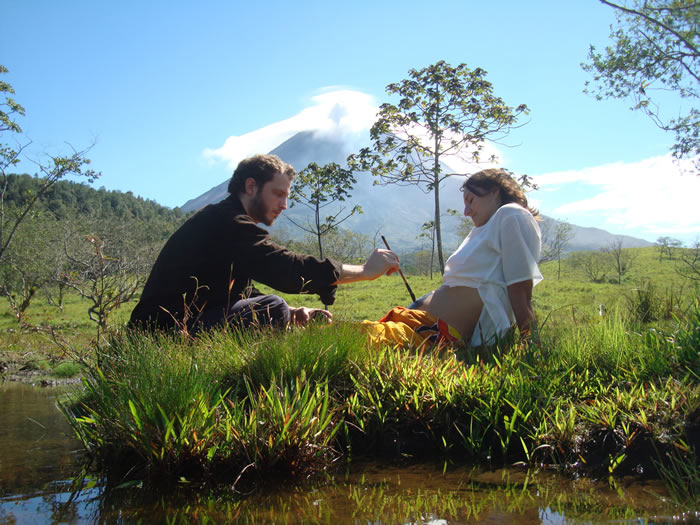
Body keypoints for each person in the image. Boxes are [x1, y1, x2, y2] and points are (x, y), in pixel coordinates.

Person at [129, 154, 399, 334]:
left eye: (287, 196)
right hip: (164, 333)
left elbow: (237, 293)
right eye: (278, 194)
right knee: (272, 308)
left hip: (167, 329)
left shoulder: (222, 220)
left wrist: (294, 313)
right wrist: (365, 271)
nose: (284, 205)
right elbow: (287, 269)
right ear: (250, 187)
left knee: (277, 308)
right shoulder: (226, 222)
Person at [363, 168, 542, 349]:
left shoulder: (511, 214)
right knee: (345, 333)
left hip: (433, 333)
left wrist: (532, 345)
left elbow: (520, 290)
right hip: (416, 324)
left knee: (350, 337)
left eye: (471, 200)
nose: (466, 211)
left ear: (495, 192)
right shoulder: (484, 229)